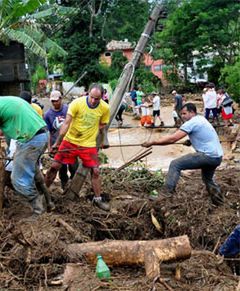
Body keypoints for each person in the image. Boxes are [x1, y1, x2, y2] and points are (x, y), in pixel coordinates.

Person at [142, 103, 224, 206]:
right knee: (208, 179)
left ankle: (165, 194)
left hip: (207, 156)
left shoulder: (191, 123)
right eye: (181, 114)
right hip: (217, 157)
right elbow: (203, 135)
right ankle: (219, 202)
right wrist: (191, 141)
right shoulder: (201, 119)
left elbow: (173, 139)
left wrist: (152, 142)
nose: (183, 116)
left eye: (185, 113)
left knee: (175, 164)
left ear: (192, 112)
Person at [44, 83, 110, 211]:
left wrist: (103, 140)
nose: (93, 101)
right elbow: (66, 124)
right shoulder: (76, 104)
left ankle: (98, 199)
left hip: (88, 144)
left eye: (97, 98)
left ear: (102, 97)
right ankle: (43, 194)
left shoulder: (105, 108)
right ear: (87, 94)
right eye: (91, 97)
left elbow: (103, 126)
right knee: (54, 167)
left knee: (96, 171)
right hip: (70, 141)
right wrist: (57, 143)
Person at [0, 96, 48, 218]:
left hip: (31, 139)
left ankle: (38, 210)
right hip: (38, 135)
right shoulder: (5, 101)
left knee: (18, 179)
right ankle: (49, 202)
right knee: (34, 172)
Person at [44, 90, 77, 189]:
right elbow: (48, 132)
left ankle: (74, 186)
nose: (55, 103)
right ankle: (64, 185)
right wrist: (49, 147)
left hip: (70, 143)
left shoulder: (68, 110)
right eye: (53, 101)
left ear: (61, 99)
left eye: (56, 100)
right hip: (57, 145)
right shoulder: (48, 115)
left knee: (74, 166)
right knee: (61, 168)